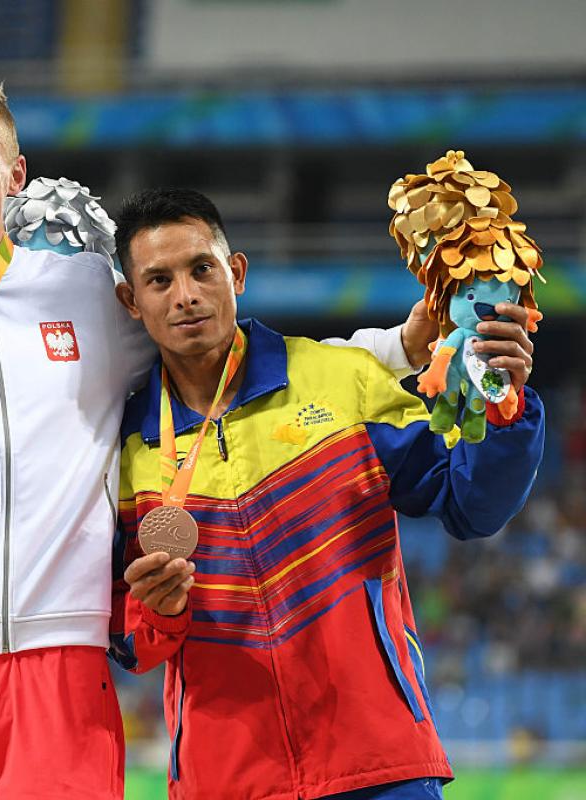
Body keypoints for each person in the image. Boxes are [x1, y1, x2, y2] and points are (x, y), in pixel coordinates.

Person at [0, 74, 433, 799]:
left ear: (14, 174)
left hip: (61, 664)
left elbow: (238, 355)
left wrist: (396, 347)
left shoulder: (87, 291)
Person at [109, 187, 544, 799]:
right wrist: (161, 611)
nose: (185, 295)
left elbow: (469, 506)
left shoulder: (342, 381)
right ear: (132, 301)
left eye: (201, 269)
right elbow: (129, 642)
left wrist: (502, 406)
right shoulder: (124, 451)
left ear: (235, 273)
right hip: (227, 779)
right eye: (158, 280)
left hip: (378, 760)